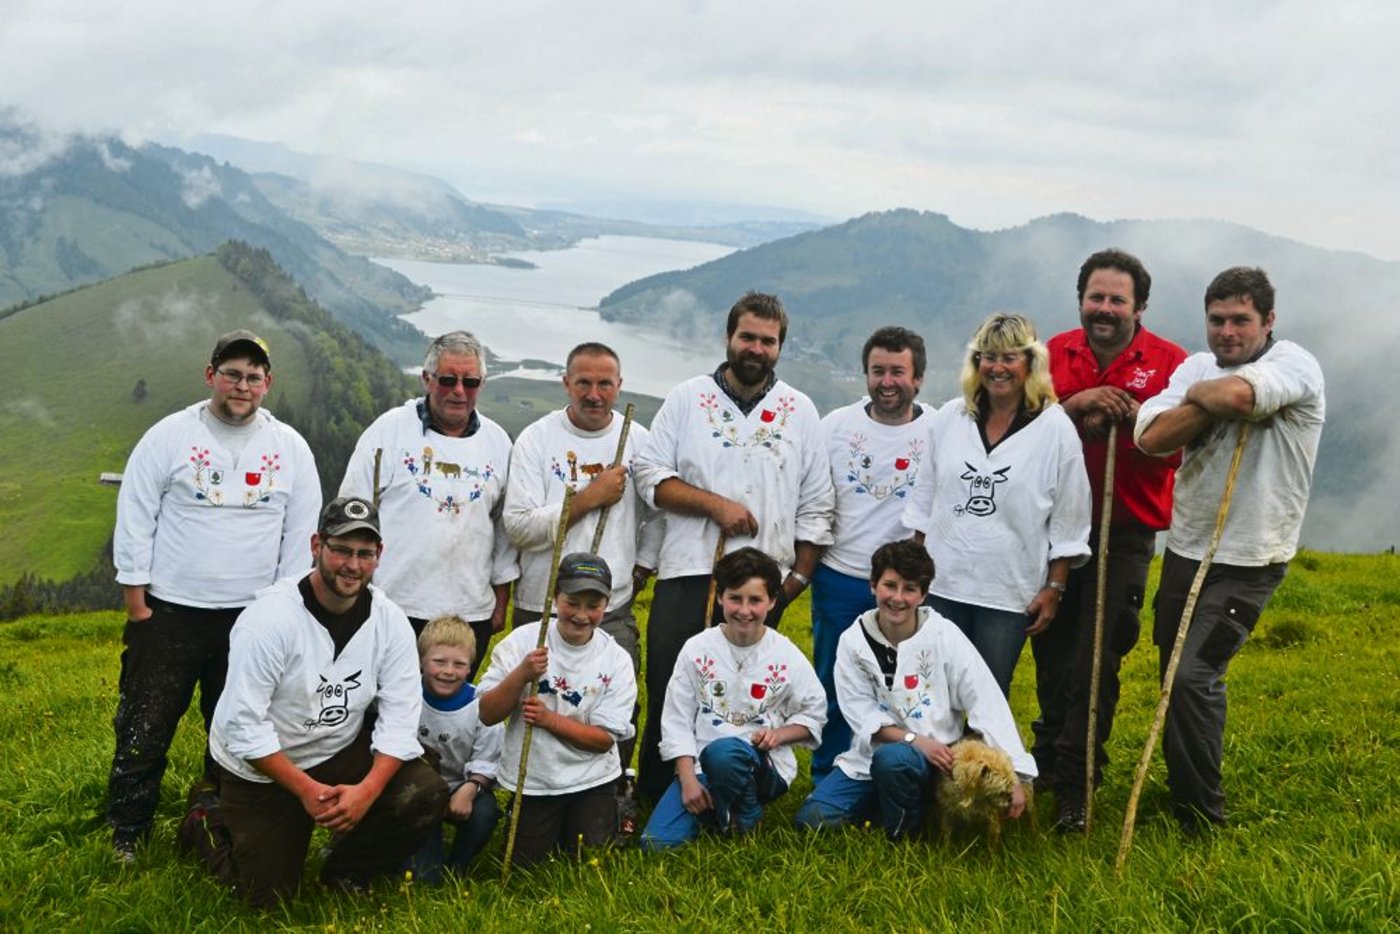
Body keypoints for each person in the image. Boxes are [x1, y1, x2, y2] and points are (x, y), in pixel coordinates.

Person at [108, 329, 321, 861]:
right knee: (145, 724)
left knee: (234, 729)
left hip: (251, 618)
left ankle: (213, 825)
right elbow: (136, 513)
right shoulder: (169, 436)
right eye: (232, 374)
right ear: (211, 376)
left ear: (268, 383)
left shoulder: (290, 448)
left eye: (253, 377)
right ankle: (128, 830)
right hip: (170, 612)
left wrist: (285, 610)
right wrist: (136, 599)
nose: (242, 385)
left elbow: (300, 536)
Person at [1135, 266, 1324, 836]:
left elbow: (1241, 393)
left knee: (1194, 676)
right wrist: (1207, 397)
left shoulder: (1294, 363)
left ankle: (1201, 817)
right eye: (1216, 320)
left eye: (1241, 320)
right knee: (1171, 674)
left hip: (1251, 558)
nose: (1227, 332)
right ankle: (1180, 791)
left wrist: (1201, 400)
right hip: (1187, 548)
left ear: (1268, 320)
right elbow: (1152, 438)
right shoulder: (1195, 368)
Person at [632, 291, 835, 801]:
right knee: (670, 686)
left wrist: (793, 583)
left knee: (745, 696)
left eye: (768, 341)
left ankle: (735, 791)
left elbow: (817, 507)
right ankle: (660, 792)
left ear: (780, 347)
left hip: (759, 589)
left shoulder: (799, 411)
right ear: (729, 337)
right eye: (748, 337)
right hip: (688, 572)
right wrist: (714, 506)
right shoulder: (688, 398)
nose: (756, 349)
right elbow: (649, 475)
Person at [208, 497, 448, 907]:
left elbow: (400, 716)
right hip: (263, 769)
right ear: (316, 545)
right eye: (340, 550)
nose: (352, 565)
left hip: (335, 748)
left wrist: (367, 791)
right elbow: (243, 726)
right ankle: (206, 818)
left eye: (364, 553)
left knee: (424, 791)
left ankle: (346, 871)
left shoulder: (389, 620)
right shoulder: (269, 620)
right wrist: (306, 791)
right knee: (266, 901)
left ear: (379, 555)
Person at [1032, 249, 1188, 833]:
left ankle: (1078, 783)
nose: (1104, 308)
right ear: (1081, 300)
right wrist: (1076, 407)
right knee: (1051, 652)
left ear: (1139, 307)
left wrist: (1137, 420)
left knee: (1096, 659)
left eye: (1117, 300)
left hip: (1123, 533)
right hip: (1050, 533)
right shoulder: (1050, 355)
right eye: (1095, 297)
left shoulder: (1171, 364)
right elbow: (1020, 430)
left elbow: (1180, 448)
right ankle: (1048, 759)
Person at [902, 313, 1091, 697]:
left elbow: (1069, 517)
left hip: (1007, 593)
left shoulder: (1055, 429)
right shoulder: (951, 418)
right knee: (932, 692)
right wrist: (914, 575)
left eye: (1009, 357)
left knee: (987, 696)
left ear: (1031, 362)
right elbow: (925, 499)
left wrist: (1054, 587)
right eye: (988, 356)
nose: (997, 367)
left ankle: (984, 742)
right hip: (942, 583)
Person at [795, 540, 1034, 837]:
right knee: (814, 819)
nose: (897, 598)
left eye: (909, 589)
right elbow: (860, 712)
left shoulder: (943, 635)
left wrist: (1014, 774)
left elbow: (986, 701)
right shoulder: (853, 641)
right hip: (870, 757)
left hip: (940, 760)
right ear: (873, 585)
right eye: (889, 585)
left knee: (895, 760)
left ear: (923, 594)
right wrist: (915, 740)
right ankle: (888, 805)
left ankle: (905, 831)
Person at [503, 342, 660, 768]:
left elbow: (657, 516)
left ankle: (614, 784)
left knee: (614, 701)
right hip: (541, 603)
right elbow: (518, 527)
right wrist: (589, 498)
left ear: (619, 385)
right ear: (566, 384)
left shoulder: (638, 441)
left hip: (612, 607)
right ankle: (533, 782)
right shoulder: (537, 440)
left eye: (604, 384)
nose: (594, 395)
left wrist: (642, 567)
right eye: (583, 383)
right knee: (537, 702)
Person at [339, 330, 516, 679]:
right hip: (392, 605)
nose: (459, 391)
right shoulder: (389, 431)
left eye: (470, 382)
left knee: (449, 707)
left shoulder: (498, 442)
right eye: (448, 380)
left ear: (482, 383)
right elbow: (352, 511)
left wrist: (501, 598)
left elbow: (503, 529)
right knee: (382, 704)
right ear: (427, 378)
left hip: (468, 614)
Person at [640, 548, 826, 851]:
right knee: (657, 844)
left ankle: (746, 815)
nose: (744, 610)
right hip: (701, 767)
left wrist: (779, 735)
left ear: (772, 601)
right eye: (735, 598)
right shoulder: (696, 649)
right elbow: (676, 720)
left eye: (755, 600)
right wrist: (687, 780)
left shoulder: (785, 653)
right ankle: (719, 811)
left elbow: (815, 713)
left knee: (724, 753)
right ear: (719, 597)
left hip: (762, 767)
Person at [810, 326, 931, 780]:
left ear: (918, 378)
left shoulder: (937, 429)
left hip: (906, 586)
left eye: (898, 372)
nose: (887, 381)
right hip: (841, 575)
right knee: (835, 681)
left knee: (904, 686)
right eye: (878, 371)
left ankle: (894, 775)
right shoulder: (836, 427)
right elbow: (814, 496)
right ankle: (829, 775)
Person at [477, 553, 637, 869]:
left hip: (592, 779)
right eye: (572, 603)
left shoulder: (616, 659)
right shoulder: (524, 642)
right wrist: (521, 675)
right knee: (524, 868)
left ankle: (617, 804)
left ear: (607, 604)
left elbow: (603, 741)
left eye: (593, 606)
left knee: (588, 863)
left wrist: (550, 720)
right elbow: (487, 714)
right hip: (536, 780)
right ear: (555, 597)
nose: (581, 615)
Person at [408, 615, 504, 884]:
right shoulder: (406, 696)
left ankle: (458, 865)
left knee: (485, 813)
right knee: (424, 879)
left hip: (462, 788)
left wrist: (471, 788)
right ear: (421, 661)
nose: (448, 671)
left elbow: (489, 758)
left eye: (459, 664)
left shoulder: (481, 704)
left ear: (470, 666)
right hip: (417, 792)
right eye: (439, 661)